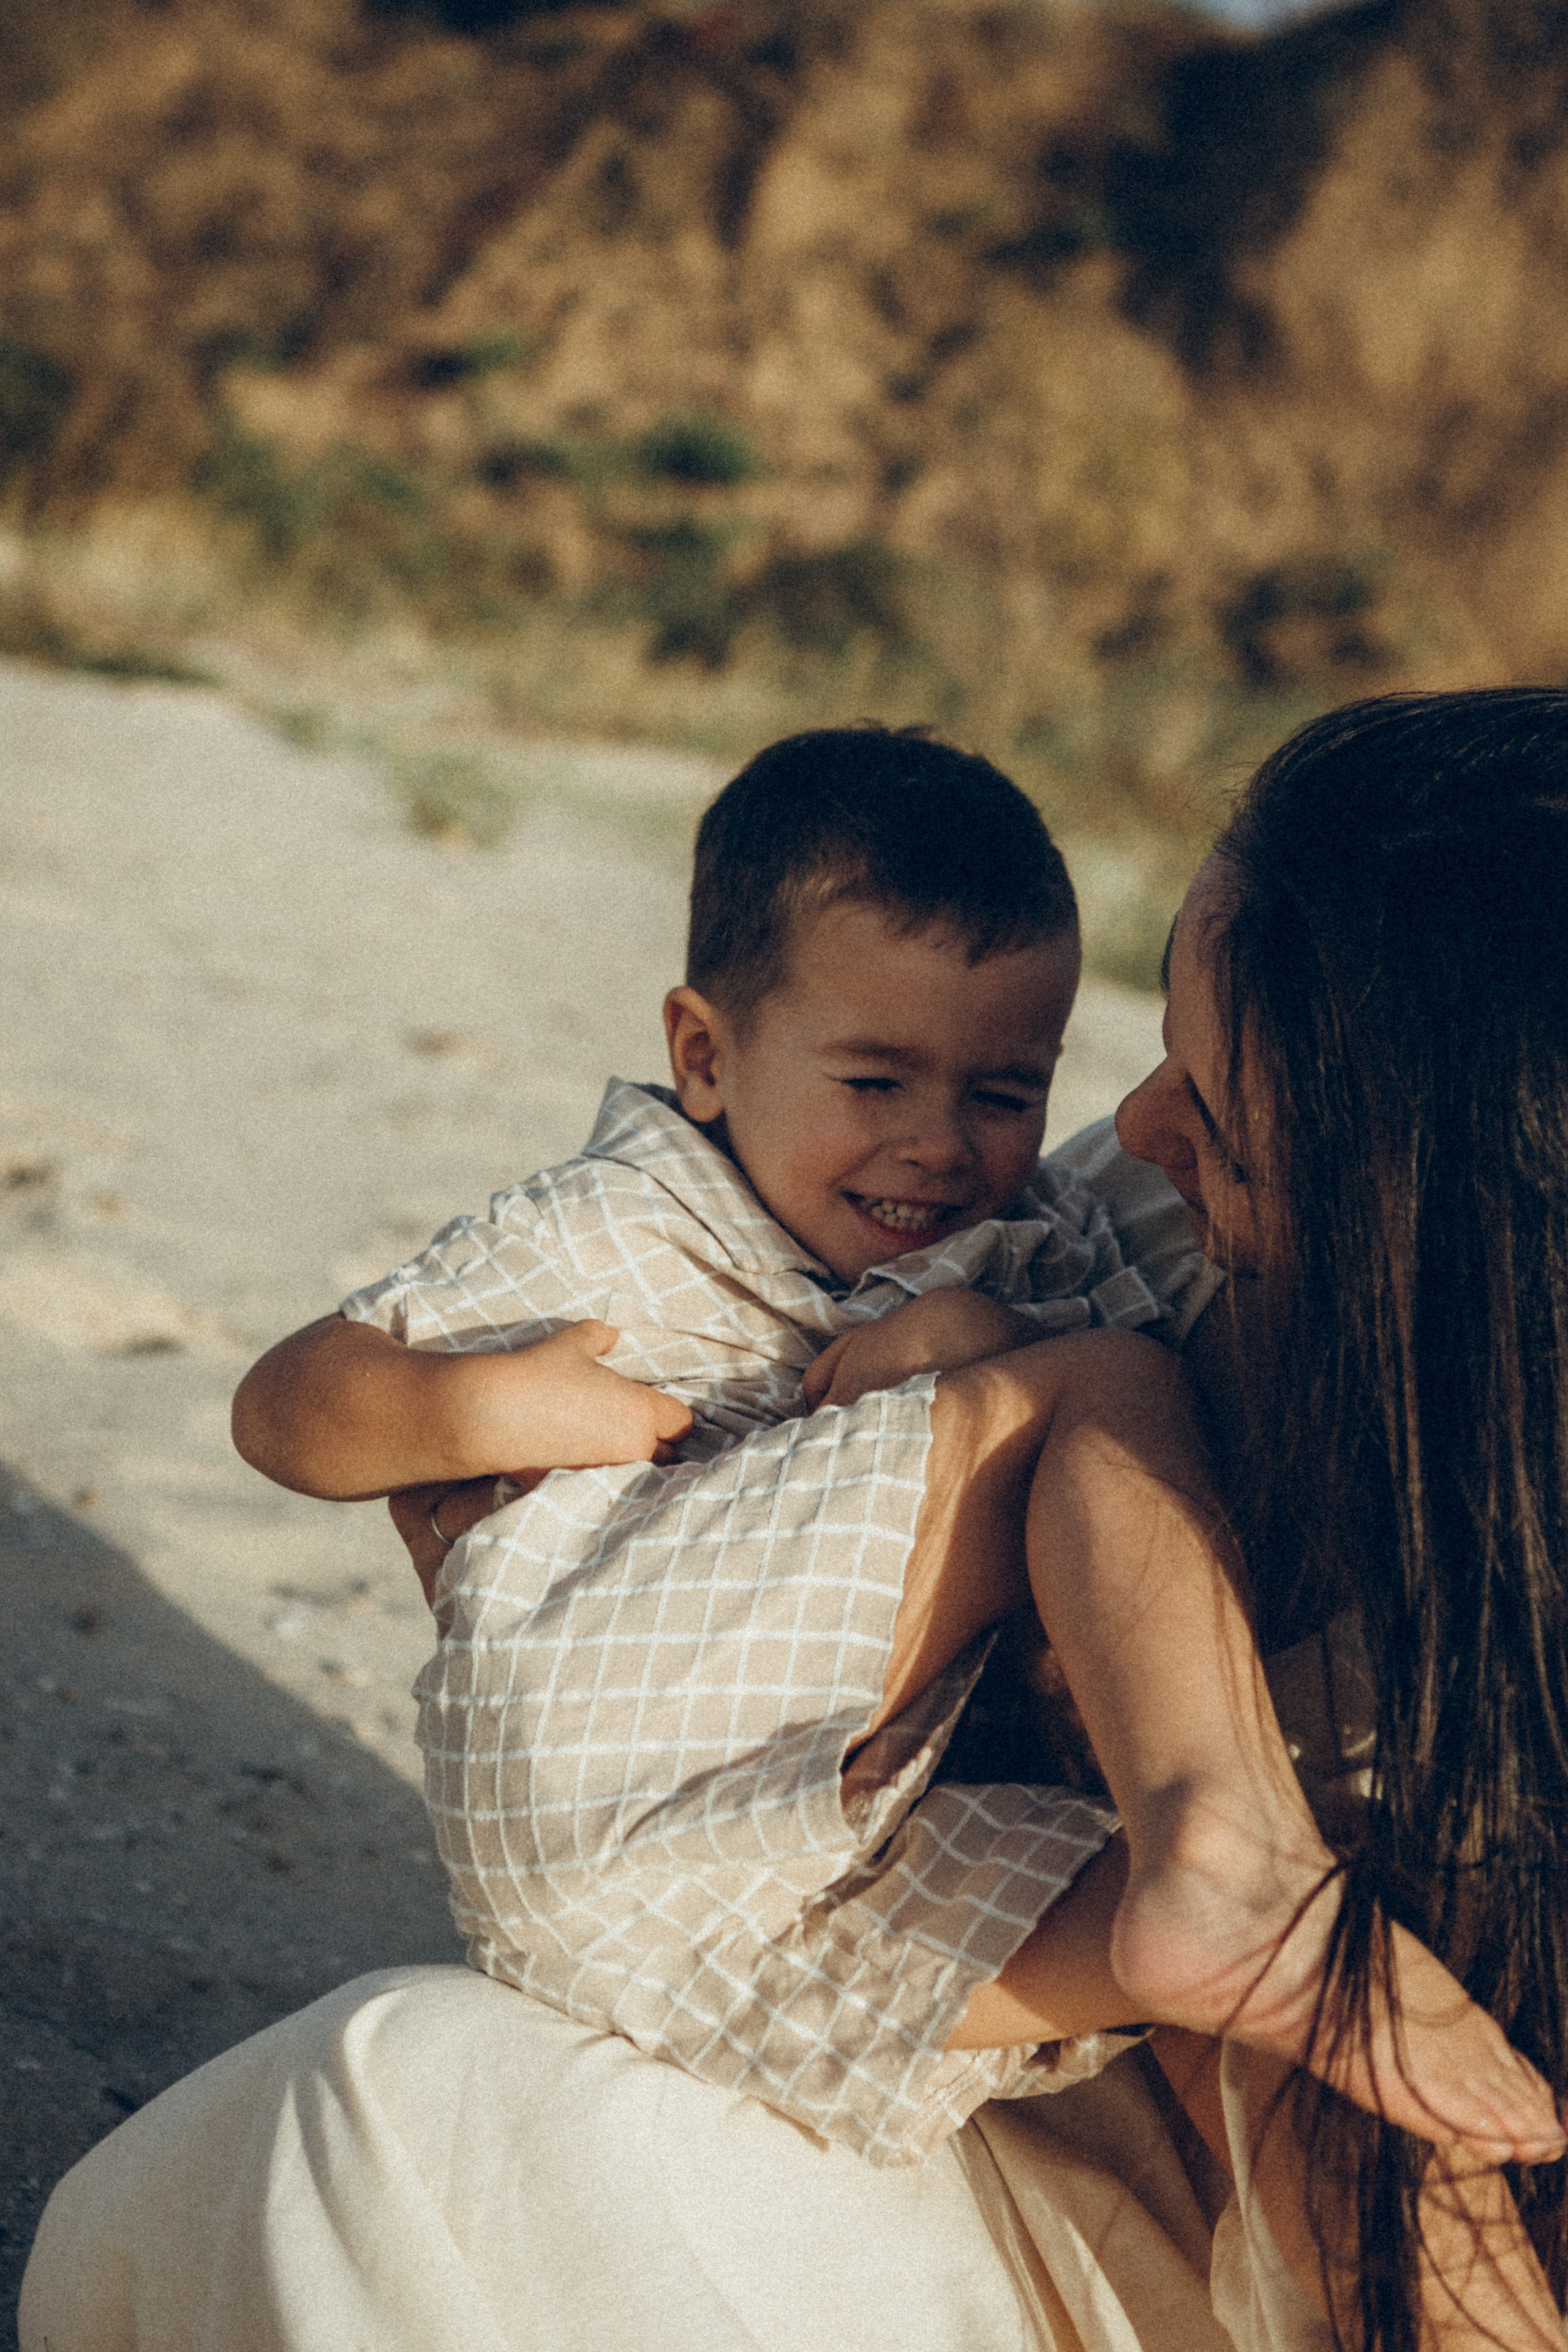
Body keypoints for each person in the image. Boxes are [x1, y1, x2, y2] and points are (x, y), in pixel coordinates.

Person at [21, 695, 1568, 2351]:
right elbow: (526, 1725)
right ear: (703, 1049)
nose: (1133, 1134)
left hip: (1290, 2225)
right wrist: (485, 1417)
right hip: (988, 2048)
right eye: (1154, 1058)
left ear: (1457, 1229)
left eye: (1219, 1122)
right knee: (384, 2122)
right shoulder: (1111, 1241)